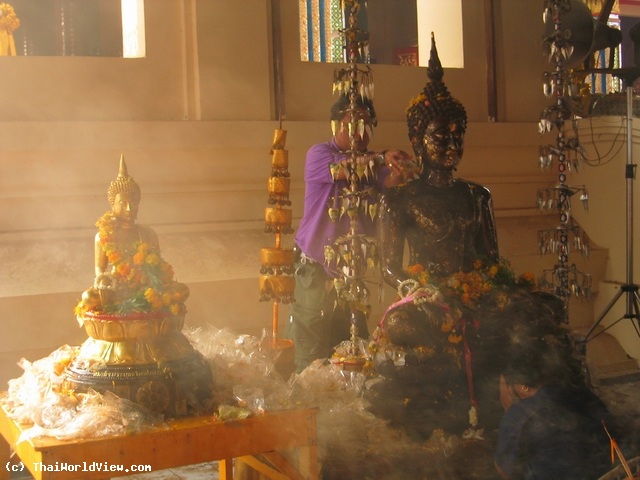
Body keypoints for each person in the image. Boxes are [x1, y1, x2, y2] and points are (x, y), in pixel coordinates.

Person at [284, 92, 414, 373]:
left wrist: (404, 170)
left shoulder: (375, 167)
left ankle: (347, 410)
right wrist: (381, 157)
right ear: (335, 125)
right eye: (350, 123)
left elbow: (392, 184)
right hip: (315, 269)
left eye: (366, 125)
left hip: (351, 274)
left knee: (352, 349)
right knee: (310, 352)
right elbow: (345, 169)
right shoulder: (319, 154)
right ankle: (310, 407)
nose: (358, 131)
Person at [379, 33, 499, 288]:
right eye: (442, 137)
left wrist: (483, 292)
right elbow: (389, 268)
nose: (452, 146)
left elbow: (491, 261)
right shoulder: (399, 199)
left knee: (542, 308)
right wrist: (421, 294)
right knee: (401, 325)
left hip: (474, 295)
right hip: (427, 299)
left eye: (459, 137)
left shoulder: (478, 196)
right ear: (417, 141)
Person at [495, 336, 618, 480]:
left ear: (523, 386)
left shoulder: (521, 414)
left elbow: (506, 471)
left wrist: (508, 411)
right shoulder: (585, 395)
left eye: (510, 384)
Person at [79, 156, 189, 313]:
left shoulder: (147, 233)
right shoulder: (103, 236)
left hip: (145, 287)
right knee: (89, 298)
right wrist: (105, 282)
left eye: (134, 204)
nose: (129, 209)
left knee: (181, 291)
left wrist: (155, 281)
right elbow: (100, 270)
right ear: (113, 205)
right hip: (117, 289)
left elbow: (156, 265)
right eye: (123, 204)